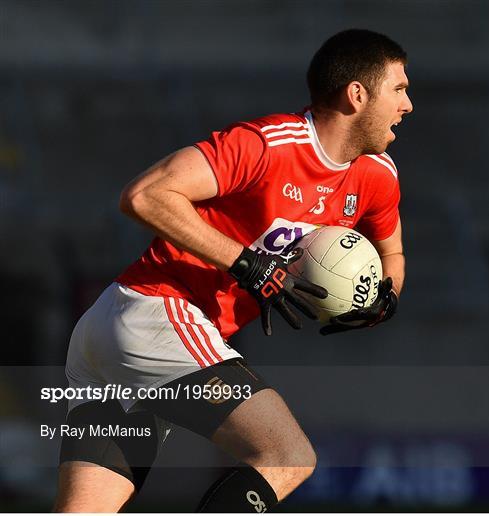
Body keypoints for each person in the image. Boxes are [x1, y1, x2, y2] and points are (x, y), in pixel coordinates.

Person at [53, 28, 413, 512]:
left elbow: (393, 254)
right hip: (157, 314)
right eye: (399, 89)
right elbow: (144, 196)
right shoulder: (267, 145)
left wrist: (383, 298)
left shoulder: (377, 176)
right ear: (357, 95)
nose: (407, 105)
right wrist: (245, 262)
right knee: (288, 456)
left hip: (115, 332)